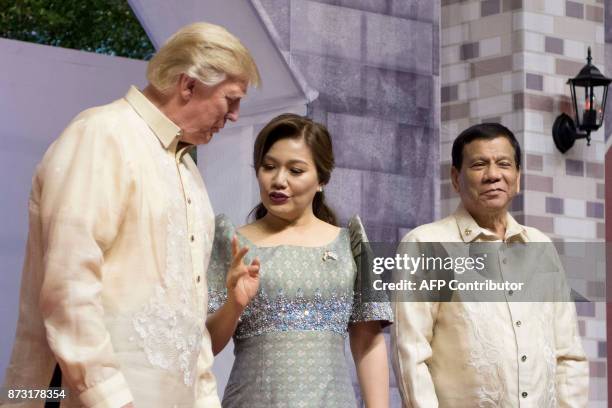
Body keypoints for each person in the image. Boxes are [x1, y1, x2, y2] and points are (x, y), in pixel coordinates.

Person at [4, 22, 260, 407]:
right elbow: (69, 288)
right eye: (231, 99)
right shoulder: (102, 135)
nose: (236, 115)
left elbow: (188, 324)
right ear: (188, 85)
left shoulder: (188, 172)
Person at [391, 123, 589, 407]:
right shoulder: (426, 244)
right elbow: (410, 355)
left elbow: (568, 354)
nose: (493, 175)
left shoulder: (541, 247)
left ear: (517, 178)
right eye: (479, 164)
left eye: (504, 164)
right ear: (456, 178)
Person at [205, 113, 392, 407]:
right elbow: (207, 346)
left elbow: (368, 341)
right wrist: (234, 303)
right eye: (269, 167)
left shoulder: (350, 243)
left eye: (295, 170)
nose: (279, 181)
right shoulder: (231, 241)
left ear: (322, 179)